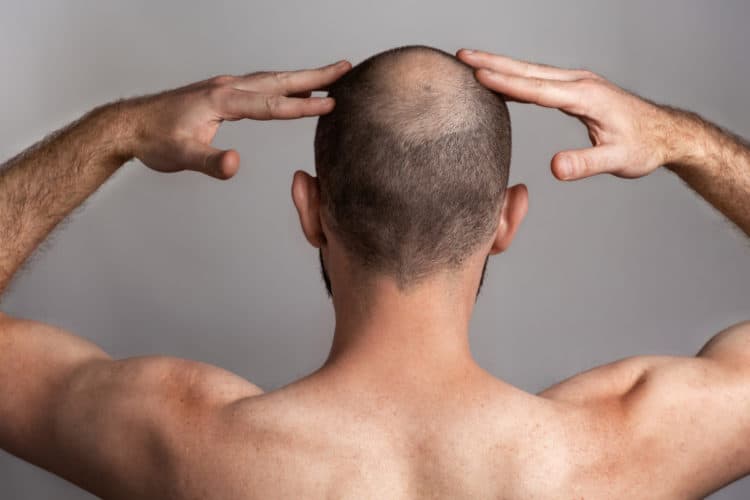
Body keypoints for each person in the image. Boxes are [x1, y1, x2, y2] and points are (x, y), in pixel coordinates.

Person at [0, 44, 748, 499]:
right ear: (507, 221)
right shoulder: (619, 450)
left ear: (309, 211)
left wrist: (119, 132)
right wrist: (682, 141)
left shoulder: (188, 444)